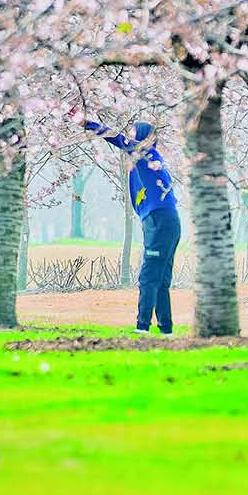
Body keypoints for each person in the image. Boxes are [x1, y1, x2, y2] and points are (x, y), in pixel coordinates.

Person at [74, 110, 180, 336]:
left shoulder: (144, 154)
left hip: (160, 221)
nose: (128, 138)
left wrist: (86, 123)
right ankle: (166, 330)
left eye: (132, 135)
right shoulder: (148, 159)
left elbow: (115, 137)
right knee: (160, 279)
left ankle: (143, 327)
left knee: (149, 276)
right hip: (165, 220)